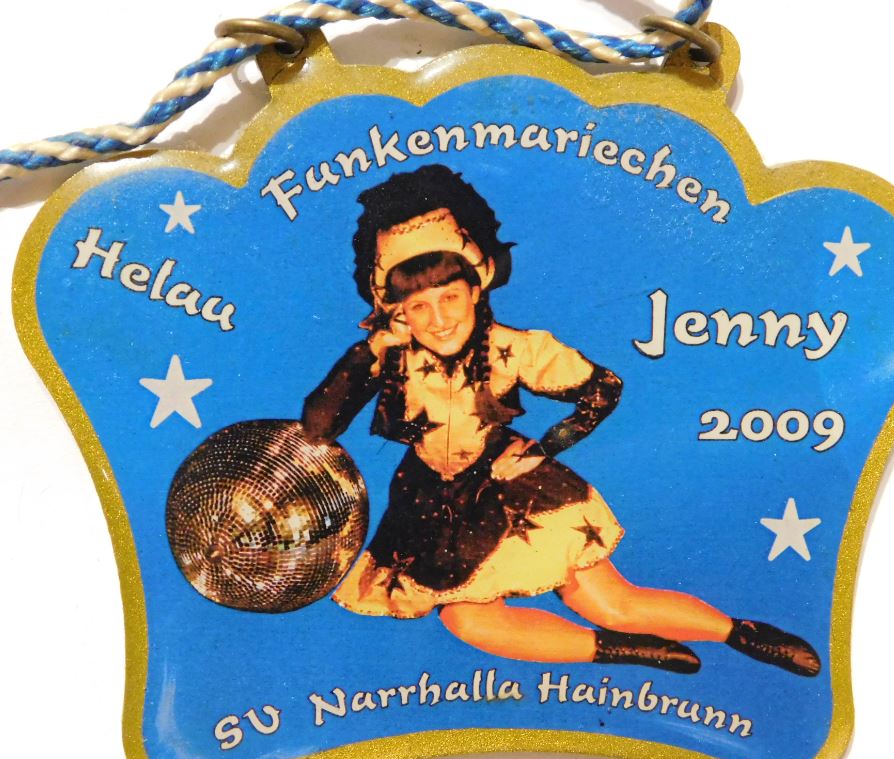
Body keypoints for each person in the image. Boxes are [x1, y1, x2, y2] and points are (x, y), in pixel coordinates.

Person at [302, 164, 820, 677]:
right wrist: (371, 348)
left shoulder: (515, 348)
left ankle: (740, 633)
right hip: (430, 507)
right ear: (397, 311)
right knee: (468, 621)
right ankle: (627, 651)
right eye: (419, 307)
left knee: (609, 604)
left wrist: (545, 448)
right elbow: (318, 428)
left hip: (515, 491)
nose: (438, 321)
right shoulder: (387, 356)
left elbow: (602, 388)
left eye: (450, 298)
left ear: (476, 288)